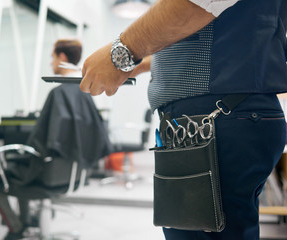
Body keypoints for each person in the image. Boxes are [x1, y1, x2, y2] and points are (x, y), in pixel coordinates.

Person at [80, 0, 287, 239]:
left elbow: (197, 4)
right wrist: (139, 64)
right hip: (221, 112)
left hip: (216, 114)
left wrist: (120, 53)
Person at [0, 39, 101, 240]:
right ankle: (26, 221)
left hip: (49, 176)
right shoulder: (84, 93)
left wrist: (20, 153)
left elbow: (38, 145)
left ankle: (16, 227)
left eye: (52, 57)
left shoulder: (58, 93)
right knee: (21, 166)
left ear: (62, 58)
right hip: (72, 173)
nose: (51, 63)